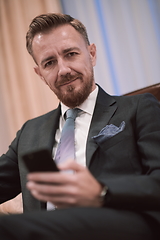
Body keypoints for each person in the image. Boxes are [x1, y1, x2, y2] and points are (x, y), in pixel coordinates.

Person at [0, 13, 160, 240]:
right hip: (45, 230)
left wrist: (101, 191)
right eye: (49, 63)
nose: (63, 69)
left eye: (71, 54)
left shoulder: (138, 108)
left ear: (91, 54)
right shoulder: (30, 132)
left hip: (118, 223)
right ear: (40, 74)